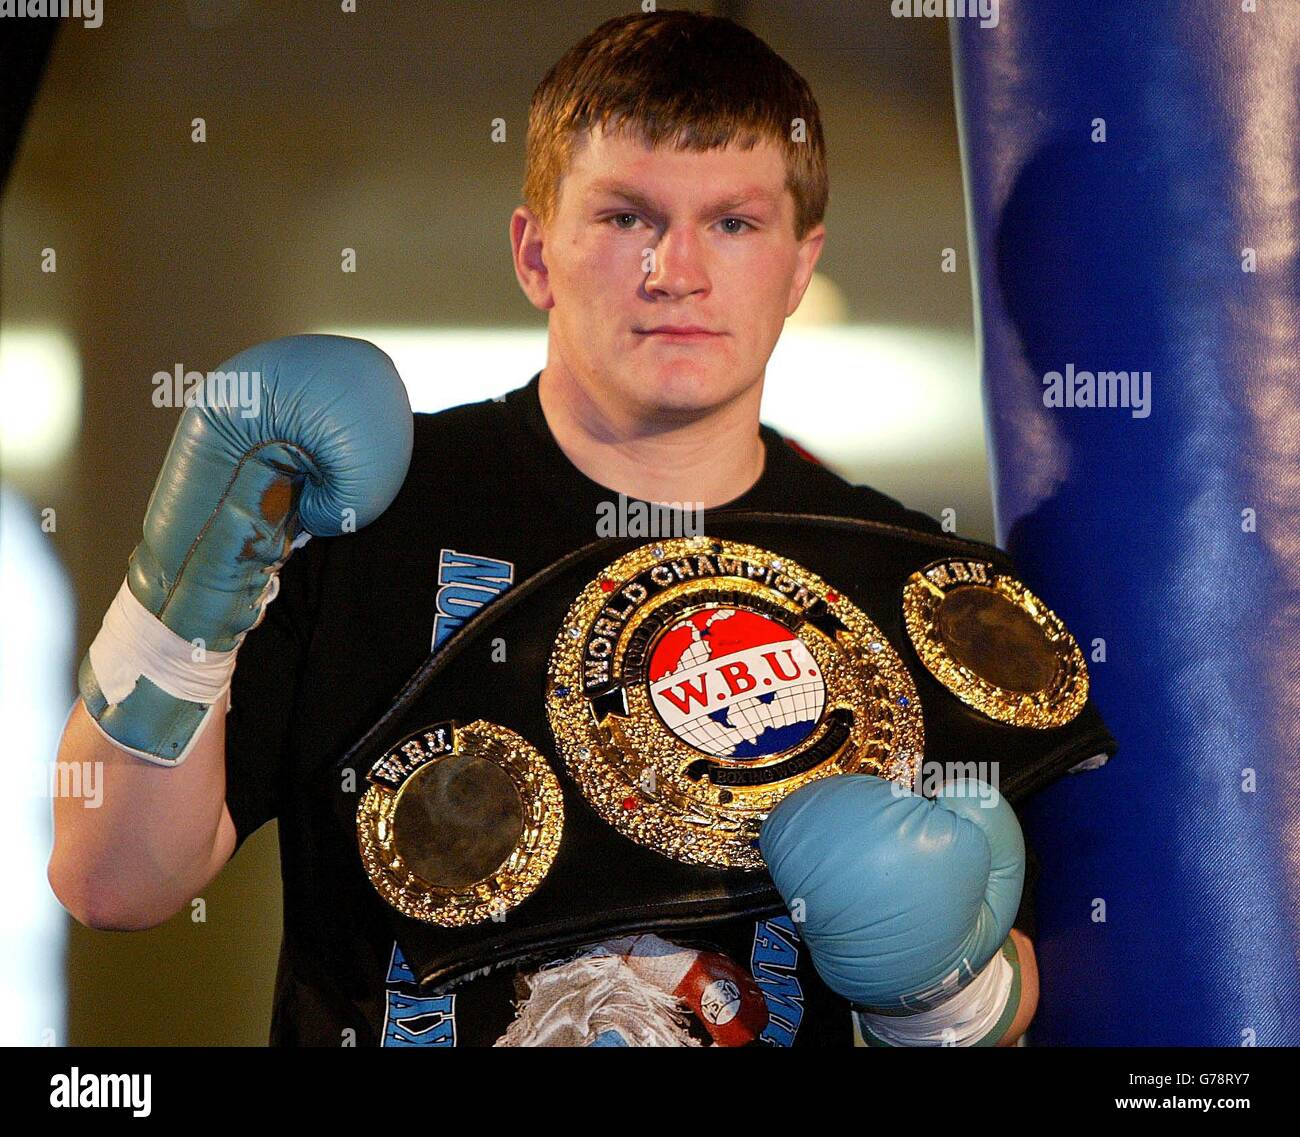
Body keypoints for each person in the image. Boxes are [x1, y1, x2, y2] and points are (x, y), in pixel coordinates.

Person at [50, 9, 1045, 1047]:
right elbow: (110, 881)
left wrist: (948, 996)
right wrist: (188, 583)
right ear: (534, 252)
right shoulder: (361, 521)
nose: (676, 271)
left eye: (734, 224)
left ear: (800, 265)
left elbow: (1078, 987)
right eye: (625, 218)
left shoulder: (910, 588)